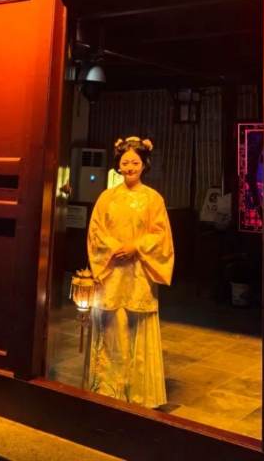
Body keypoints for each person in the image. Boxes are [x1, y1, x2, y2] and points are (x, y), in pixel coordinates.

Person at [84, 136, 174, 408]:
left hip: (139, 271)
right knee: (111, 326)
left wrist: (136, 246)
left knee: (137, 326)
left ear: (144, 164)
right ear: (118, 165)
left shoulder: (153, 199)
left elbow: (161, 235)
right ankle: (108, 388)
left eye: (135, 162)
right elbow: (96, 231)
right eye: (125, 162)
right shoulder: (106, 197)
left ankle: (139, 393)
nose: (130, 167)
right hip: (112, 270)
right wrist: (115, 248)